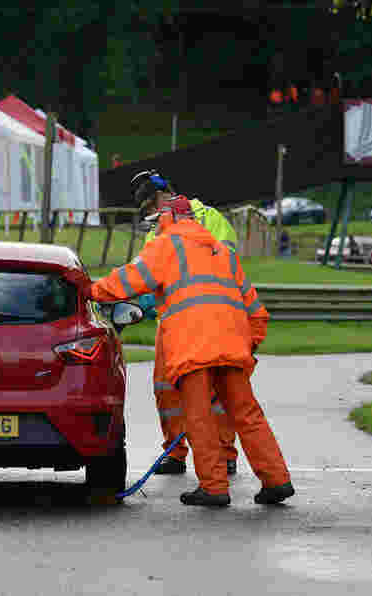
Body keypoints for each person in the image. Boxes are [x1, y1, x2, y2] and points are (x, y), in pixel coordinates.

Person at [64, 196, 294, 507]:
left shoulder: (165, 246)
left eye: (159, 221)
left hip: (192, 347)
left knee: (198, 418)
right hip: (231, 346)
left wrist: (91, 289)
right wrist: (248, 344)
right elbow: (256, 311)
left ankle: (214, 488)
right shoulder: (223, 252)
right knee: (248, 415)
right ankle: (277, 480)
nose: (157, 226)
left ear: (169, 219)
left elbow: (130, 280)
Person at [129, 169, 241, 477]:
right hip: (172, 322)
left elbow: (228, 264)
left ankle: (223, 452)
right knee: (166, 389)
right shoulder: (155, 232)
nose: (151, 216)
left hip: (211, 317)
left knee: (217, 389)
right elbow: (145, 275)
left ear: (162, 197)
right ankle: (175, 452)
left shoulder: (210, 218)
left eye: (151, 207)